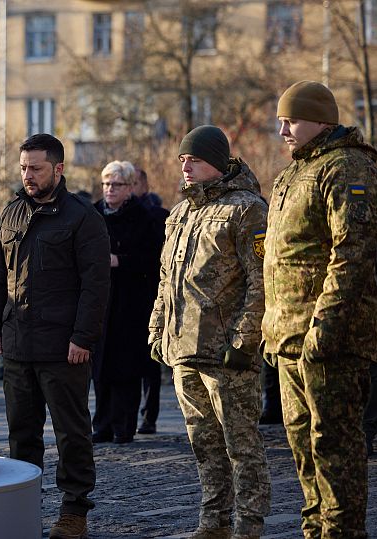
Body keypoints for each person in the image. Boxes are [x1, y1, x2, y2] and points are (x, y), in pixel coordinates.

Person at [262, 80, 377, 537]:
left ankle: (342, 533)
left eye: (291, 120)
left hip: (330, 340)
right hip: (290, 339)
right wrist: (273, 330)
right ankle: (316, 531)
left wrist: (323, 332)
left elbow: (353, 252)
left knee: (335, 445)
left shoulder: (348, 166)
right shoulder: (294, 172)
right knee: (301, 444)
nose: (283, 130)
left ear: (322, 121)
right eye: (280, 121)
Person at [0, 133, 110, 539]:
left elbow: (96, 284)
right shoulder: (13, 212)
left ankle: (74, 510)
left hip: (64, 348)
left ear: (58, 168)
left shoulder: (82, 217)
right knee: (21, 433)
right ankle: (24, 506)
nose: (28, 176)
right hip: (18, 345)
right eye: (23, 168)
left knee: (71, 431)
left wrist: (83, 338)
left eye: (35, 168)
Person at [149, 125, 271, 539]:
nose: (185, 166)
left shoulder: (247, 209)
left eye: (194, 160)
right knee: (204, 445)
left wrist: (244, 341)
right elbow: (167, 279)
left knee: (242, 446)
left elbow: (261, 282)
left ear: (216, 163)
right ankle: (213, 522)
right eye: (182, 159)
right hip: (184, 346)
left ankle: (248, 526)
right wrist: (157, 330)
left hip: (226, 354)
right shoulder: (181, 212)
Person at [91, 160, 164, 444]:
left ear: (130, 188)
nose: (110, 190)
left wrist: (119, 260)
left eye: (116, 185)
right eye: (106, 184)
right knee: (101, 368)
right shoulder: (93, 213)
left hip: (131, 301)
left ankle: (124, 425)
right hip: (101, 301)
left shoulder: (144, 217)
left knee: (127, 368)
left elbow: (152, 257)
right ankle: (102, 423)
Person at [132, 166, 169, 435]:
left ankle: (149, 414)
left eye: (132, 182)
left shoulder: (157, 216)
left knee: (150, 361)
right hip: (127, 298)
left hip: (151, 294)